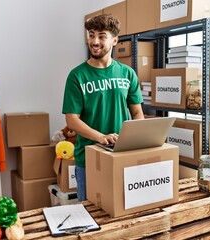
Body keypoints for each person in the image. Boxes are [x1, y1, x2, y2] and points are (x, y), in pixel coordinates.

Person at [62, 14, 144, 201]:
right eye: (91, 35)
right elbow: (71, 119)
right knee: (91, 214)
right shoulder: (77, 76)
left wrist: (136, 138)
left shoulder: (127, 73)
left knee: (124, 209)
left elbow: (137, 111)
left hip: (122, 154)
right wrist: (101, 137)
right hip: (90, 159)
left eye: (101, 36)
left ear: (115, 40)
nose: (94, 41)